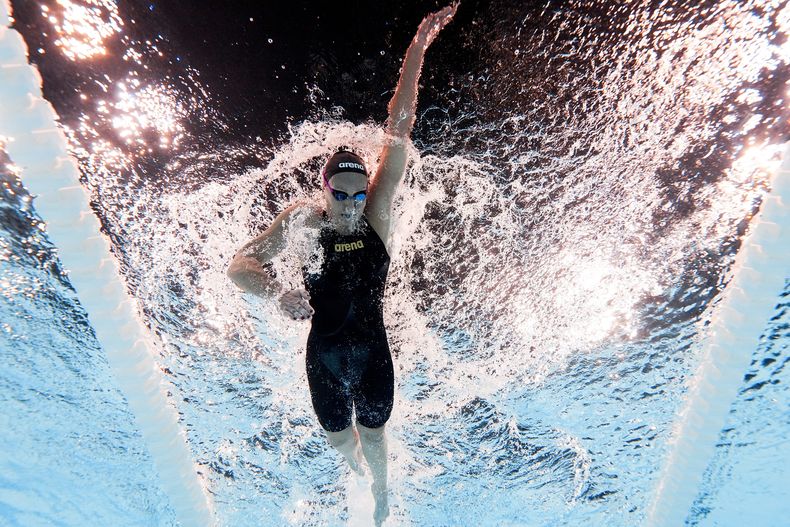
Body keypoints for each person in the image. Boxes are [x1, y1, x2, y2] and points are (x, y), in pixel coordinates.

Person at [227, 5, 457, 525]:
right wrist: (272, 291)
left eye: (359, 193)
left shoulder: (376, 213)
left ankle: (380, 494)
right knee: (339, 441)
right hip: (324, 356)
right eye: (342, 194)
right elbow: (239, 265)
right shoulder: (304, 222)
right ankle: (356, 472)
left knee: (375, 435)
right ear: (325, 189)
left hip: (374, 351)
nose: (353, 204)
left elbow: (398, 132)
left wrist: (418, 47)